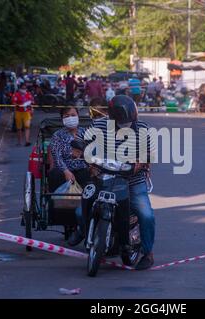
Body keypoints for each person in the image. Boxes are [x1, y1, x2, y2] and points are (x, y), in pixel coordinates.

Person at [76, 95, 156, 270]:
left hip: (133, 180)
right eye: (121, 121)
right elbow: (82, 143)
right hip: (103, 177)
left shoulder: (143, 129)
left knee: (146, 215)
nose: (125, 124)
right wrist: (90, 164)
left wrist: (139, 163)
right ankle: (83, 231)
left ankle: (148, 253)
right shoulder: (99, 125)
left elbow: (149, 154)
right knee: (80, 211)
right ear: (111, 117)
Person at [48, 106, 91, 246]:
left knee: (91, 180)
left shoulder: (86, 133)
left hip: (83, 168)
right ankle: (63, 212)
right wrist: (66, 171)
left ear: (78, 116)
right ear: (62, 119)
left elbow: (94, 153)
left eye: (73, 115)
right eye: (67, 116)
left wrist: (83, 155)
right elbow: (56, 155)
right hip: (64, 169)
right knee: (55, 175)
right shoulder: (58, 135)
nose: (70, 118)